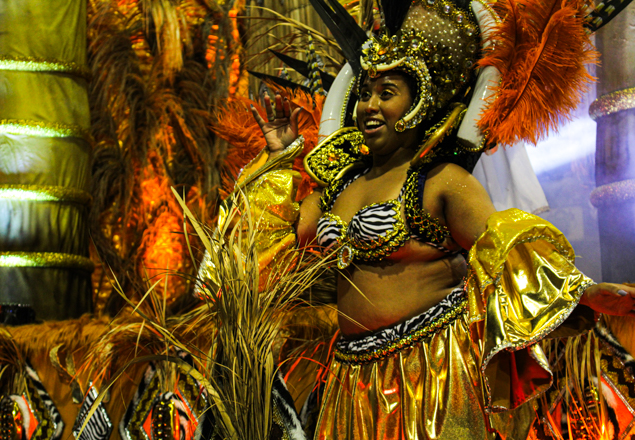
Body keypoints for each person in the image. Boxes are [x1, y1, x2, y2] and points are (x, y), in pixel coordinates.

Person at [207, 0, 635, 438]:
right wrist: (279, 156)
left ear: (420, 102)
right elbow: (263, 253)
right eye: (366, 93)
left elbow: (504, 249)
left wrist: (583, 290)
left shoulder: (440, 182)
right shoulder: (336, 187)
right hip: (351, 382)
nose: (369, 106)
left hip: (431, 377)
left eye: (386, 93)